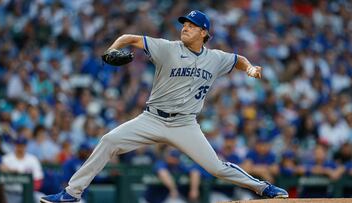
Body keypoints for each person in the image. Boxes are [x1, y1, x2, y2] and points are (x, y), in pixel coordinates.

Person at [41, 10, 288, 203]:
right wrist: (112, 49)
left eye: (191, 26)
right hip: (152, 119)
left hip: (185, 124)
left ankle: (263, 187)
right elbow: (130, 38)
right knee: (108, 141)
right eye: (184, 24)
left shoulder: (216, 58)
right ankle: (72, 193)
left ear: (204, 32)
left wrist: (252, 68)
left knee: (216, 168)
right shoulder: (167, 48)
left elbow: (238, 60)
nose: (185, 28)